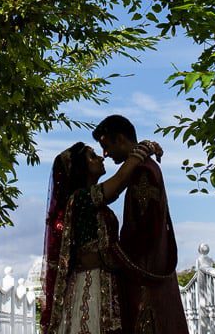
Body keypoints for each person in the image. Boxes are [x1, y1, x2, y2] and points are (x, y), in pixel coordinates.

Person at [41, 139, 158, 334]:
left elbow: (124, 180)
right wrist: (144, 148)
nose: (101, 158)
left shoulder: (96, 203)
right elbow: (120, 180)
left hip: (107, 281)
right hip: (89, 284)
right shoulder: (80, 199)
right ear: (81, 168)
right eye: (92, 156)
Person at [93, 115, 188, 334]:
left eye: (107, 146)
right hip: (151, 272)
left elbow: (145, 230)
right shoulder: (144, 166)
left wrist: (112, 256)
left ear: (121, 140)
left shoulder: (143, 172)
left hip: (145, 277)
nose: (105, 154)